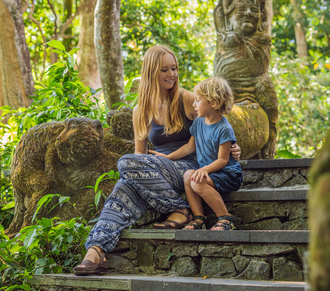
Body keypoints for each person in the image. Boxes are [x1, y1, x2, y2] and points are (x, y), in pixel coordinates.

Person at [73, 45, 241, 275]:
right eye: (164, 69)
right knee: (123, 188)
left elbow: (218, 123)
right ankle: (95, 250)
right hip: (154, 171)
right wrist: (138, 179)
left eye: (174, 68)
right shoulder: (140, 110)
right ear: (152, 72)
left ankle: (182, 209)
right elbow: (140, 155)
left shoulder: (187, 100)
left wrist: (233, 147)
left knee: (126, 163)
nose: (171, 74)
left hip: (189, 168)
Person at [150, 77, 242, 230]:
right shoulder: (199, 122)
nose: (194, 104)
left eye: (198, 101)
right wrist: (168, 157)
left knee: (196, 182)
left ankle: (226, 217)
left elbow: (223, 160)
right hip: (210, 173)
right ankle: (199, 217)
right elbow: (189, 147)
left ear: (213, 103)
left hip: (228, 174)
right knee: (188, 175)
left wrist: (204, 169)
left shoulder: (224, 128)